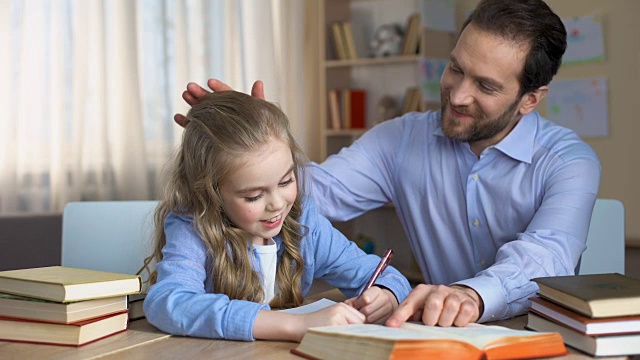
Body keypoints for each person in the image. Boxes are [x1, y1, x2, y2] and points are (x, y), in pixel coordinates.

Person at [173, 0, 601, 328]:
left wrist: (470, 294)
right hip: (429, 334)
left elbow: (547, 256)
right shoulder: (400, 139)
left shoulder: (568, 162)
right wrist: (250, 147)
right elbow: (310, 195)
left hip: (530, 336)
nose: (456, 95)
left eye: (485, 85)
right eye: (456, 68)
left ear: (531, 98)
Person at [143, 91, 412, 342]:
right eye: (253, 196)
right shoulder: (192, 226)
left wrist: (386, 295)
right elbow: (167, 303)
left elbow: (382, 275)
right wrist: (295, 325)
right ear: (211, 193)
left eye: (286, 181)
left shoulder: (304, 220)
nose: (277, 205)